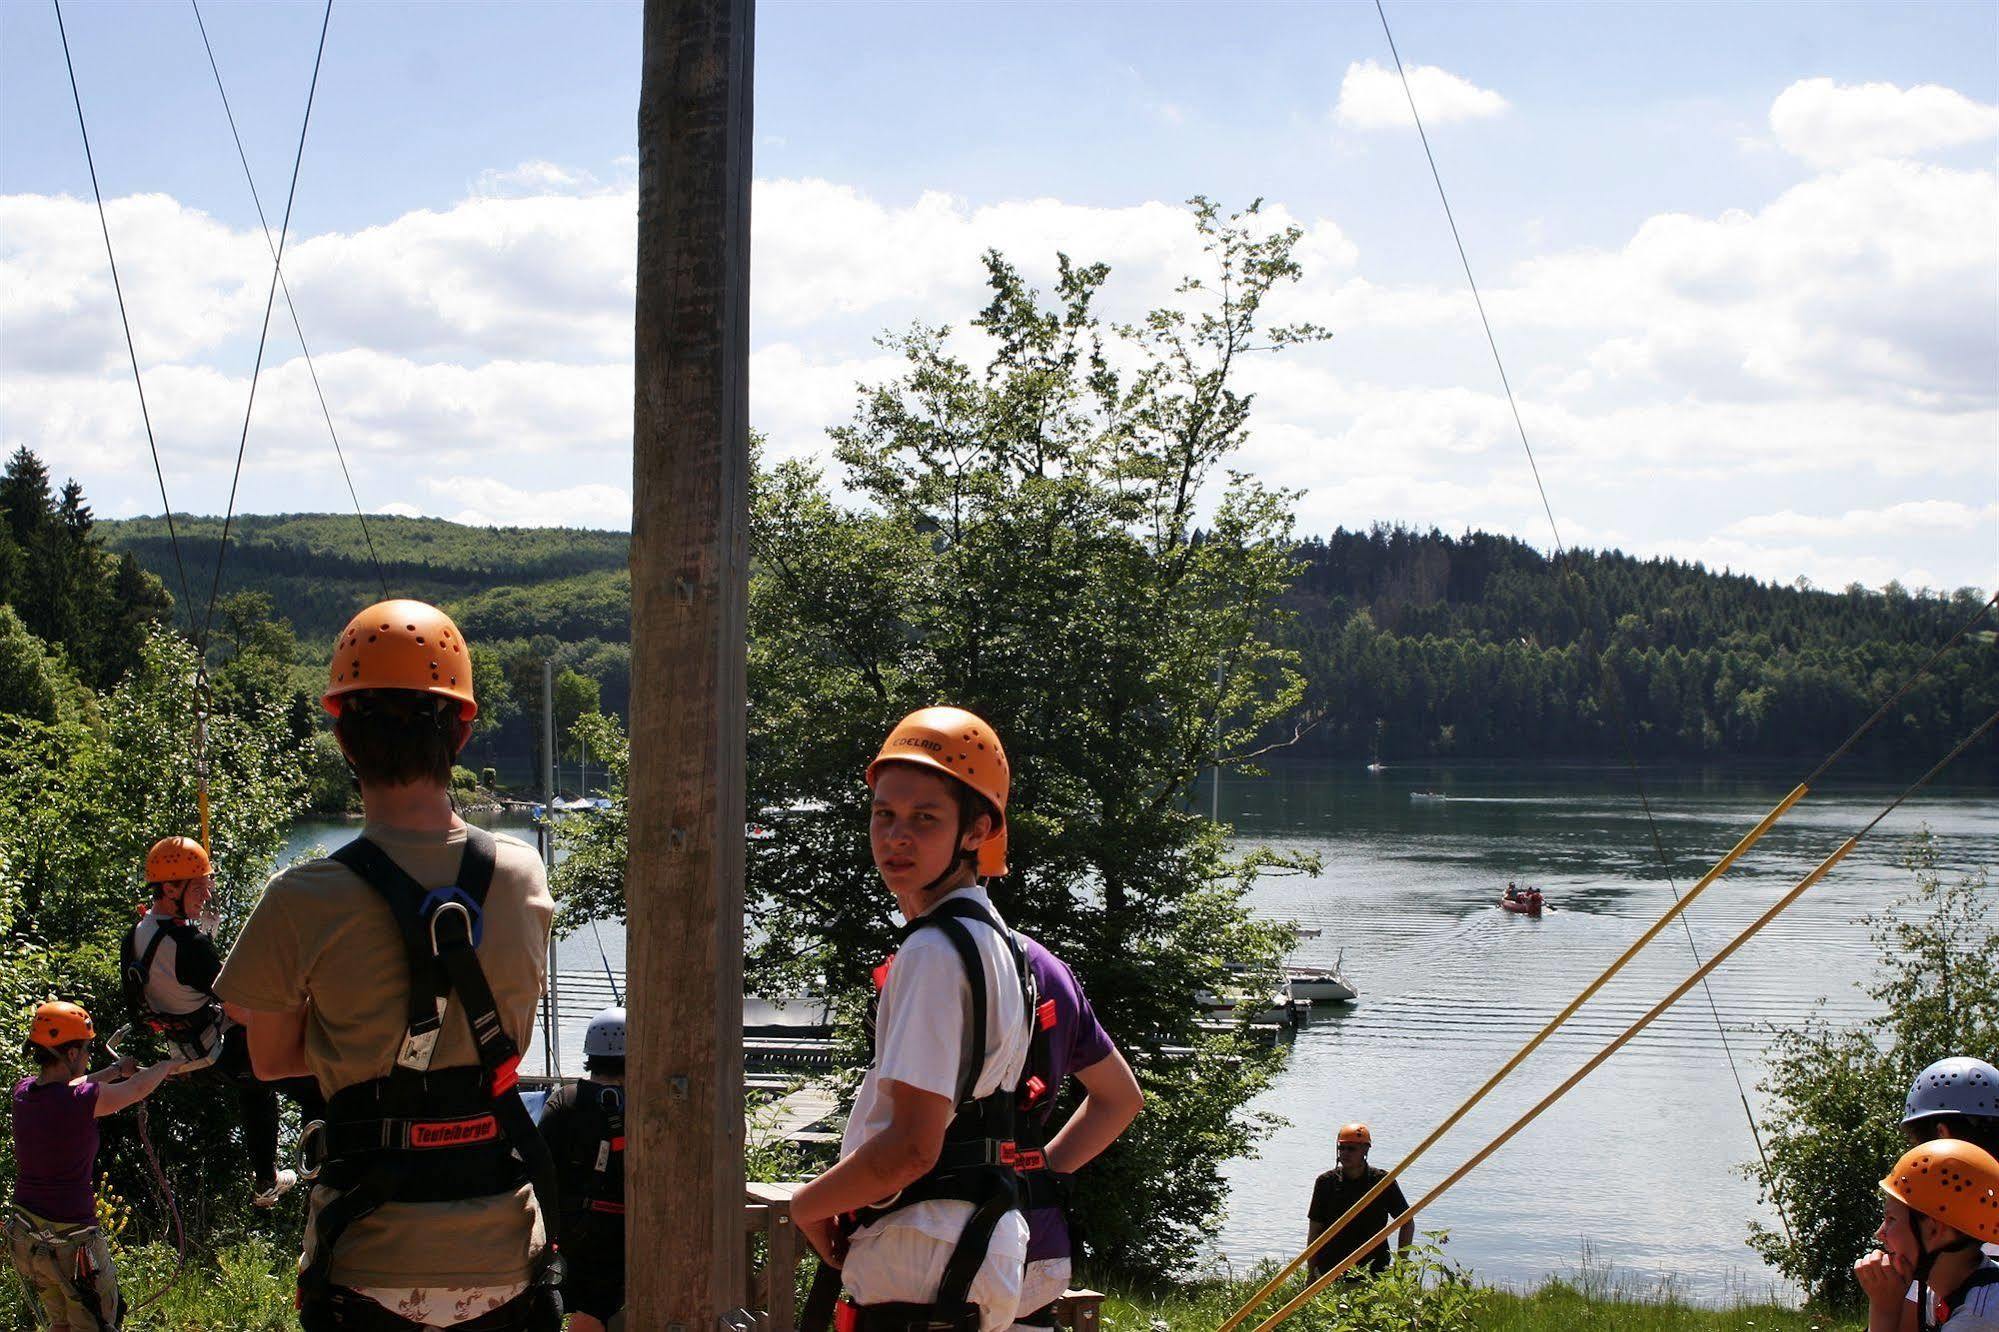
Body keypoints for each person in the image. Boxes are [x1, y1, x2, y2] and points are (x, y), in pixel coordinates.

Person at [215, 599, 561, 1331]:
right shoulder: (524, 874)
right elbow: (512, 1043)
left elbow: (274, 1060)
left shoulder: (303, 895)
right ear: (462, 731)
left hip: (368, 1255)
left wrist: (352, 1025)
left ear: (341, 730)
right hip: (502, 1249)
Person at [792, 706, 1036, 1332]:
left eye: (925, 818)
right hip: (973, 1241)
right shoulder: (999, 942)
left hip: (925, 1254)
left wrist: (807, 1204)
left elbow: (912, 1148)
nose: (897, 837)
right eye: (884, 814)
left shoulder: (932, 952)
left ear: (977, 830)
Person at [121, 834, 322, 1207]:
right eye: (197, 888)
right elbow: (238, 1008)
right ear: (169, 887)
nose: (206, 896)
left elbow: (175, 980)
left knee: (256, 1085)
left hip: (184, 1048)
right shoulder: (190, 945)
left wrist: (205, 937)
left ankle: (266, 1180)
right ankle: (319, 1182)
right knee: (315, 1084)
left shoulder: (139, 933)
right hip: (217, 1048)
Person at [6, 1000, 182, 1332]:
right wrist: (169, 1064)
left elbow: (75, 1088)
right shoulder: (81, 1101)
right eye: (86, 1049)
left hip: (29, 1238)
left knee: (62, 1325)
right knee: (99, 1323)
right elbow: (136, 1089)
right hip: (72, 1247)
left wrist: (115, 1070)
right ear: (71, 1054)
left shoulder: (24, 1093)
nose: (88, 1056)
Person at [1009, 935, 1143, 1332]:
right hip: (1035, 1241)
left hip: (933, 1241)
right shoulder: (1044, 968)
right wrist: (1038, 1170)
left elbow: (912, 1146)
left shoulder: (929, 958)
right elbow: (1120, 1099)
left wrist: (815, 1204)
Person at [537, 1007, 627, 1332]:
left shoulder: (565, 1101)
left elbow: (541, 1165)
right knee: (595, 1313)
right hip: (623, 1233)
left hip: (566, 1230)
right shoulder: (646, 1104)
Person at [1854, 1139, 1999, 1331]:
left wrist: (1884, 1310)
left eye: (1891, 1219)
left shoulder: (1978, 1319)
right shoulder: (1943, 1289)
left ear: (1934, 1230)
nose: (1880, 1234)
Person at [1306, 1122, 1415, 1279]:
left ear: (1365, 1149)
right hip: (1330, 1271)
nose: (1345, 1153)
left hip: (1374, 1271)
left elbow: (1407, 1222)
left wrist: (1401, 1267)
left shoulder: (1382, 1182)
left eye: (1351, 1148)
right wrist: (1311, 1273)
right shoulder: (1325, 1182)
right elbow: (1315, 1230)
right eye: (1341, 1148)